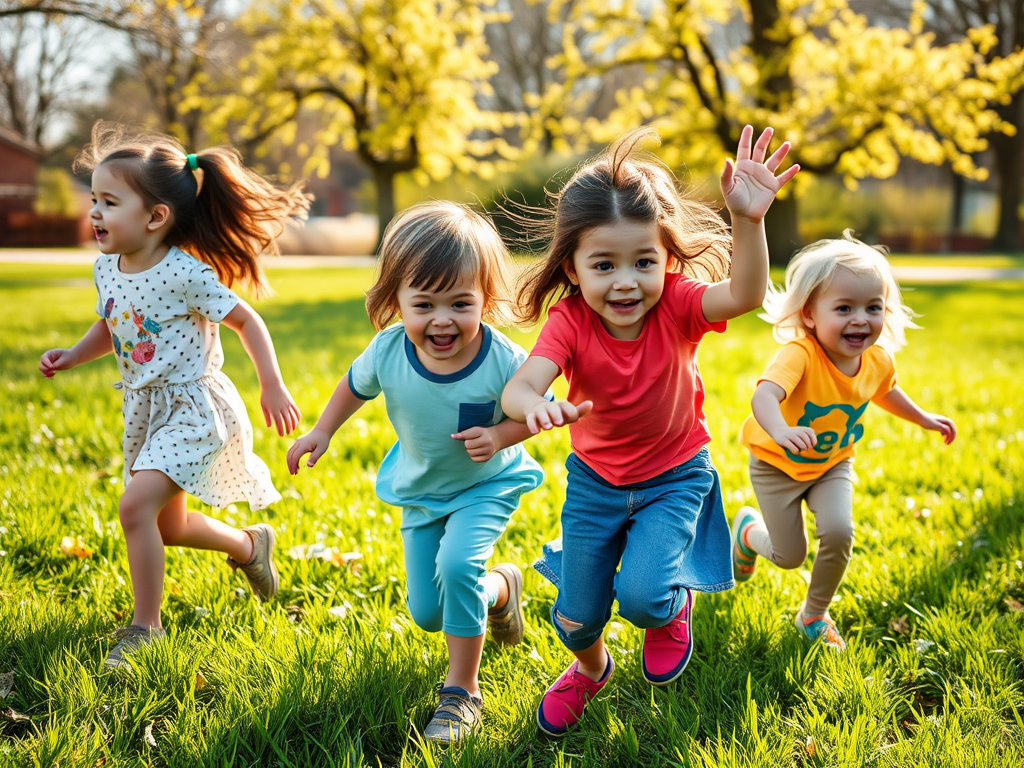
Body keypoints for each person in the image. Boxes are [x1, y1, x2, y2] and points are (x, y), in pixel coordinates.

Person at [501, 125, 799, 736]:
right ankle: (591, 670)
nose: (626, 281)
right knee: (575, 618)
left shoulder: (679, 305)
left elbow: (746, 293)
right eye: (603, 265)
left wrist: (749, 221)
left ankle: (670, 607)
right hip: (595, 484)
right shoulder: (570, 320)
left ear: (668, 259)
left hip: (674, 476)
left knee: (642, 598)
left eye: (644, 261)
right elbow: (520, 387)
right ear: (573, 267)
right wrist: (536, 404)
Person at [38, 122, 311, 669]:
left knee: (134, 507)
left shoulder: (185, 273)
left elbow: (247, 320)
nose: (95, 213)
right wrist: (73, 354)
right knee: (170, 525)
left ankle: (146, 628)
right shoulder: (106, 268)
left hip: (194, 409)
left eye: (109, 202)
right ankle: (249, 546)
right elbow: (112, 324)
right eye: (93, 200)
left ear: (155, 216)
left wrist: (272, 383)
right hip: (146, 410)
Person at [286, 201, 544, 744]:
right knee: (429, 612)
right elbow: (353, 387)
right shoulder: (387, 352)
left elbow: (535, 411)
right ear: (396, 299)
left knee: (458, 565)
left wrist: (501, 435)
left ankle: (462, 693)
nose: (442, 320)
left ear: (485, 299)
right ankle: (501, 590)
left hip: (486, 485)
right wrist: (322, 431)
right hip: (423, 490)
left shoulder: (503, 359)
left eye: (460, 303)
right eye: (424, 304)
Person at [732, 231, 956, 651]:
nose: (860, 319)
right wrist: (781, 431)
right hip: (776, 464)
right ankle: (748, 533)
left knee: (839, 531)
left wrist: (924, 418)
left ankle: (813, 614)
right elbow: (764, 395)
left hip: (832, 463)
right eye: (844, 308)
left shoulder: (876, 359)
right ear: (810, 315)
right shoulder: (800, 354)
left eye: (873, 307)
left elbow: (886, 391)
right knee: (789, 557)